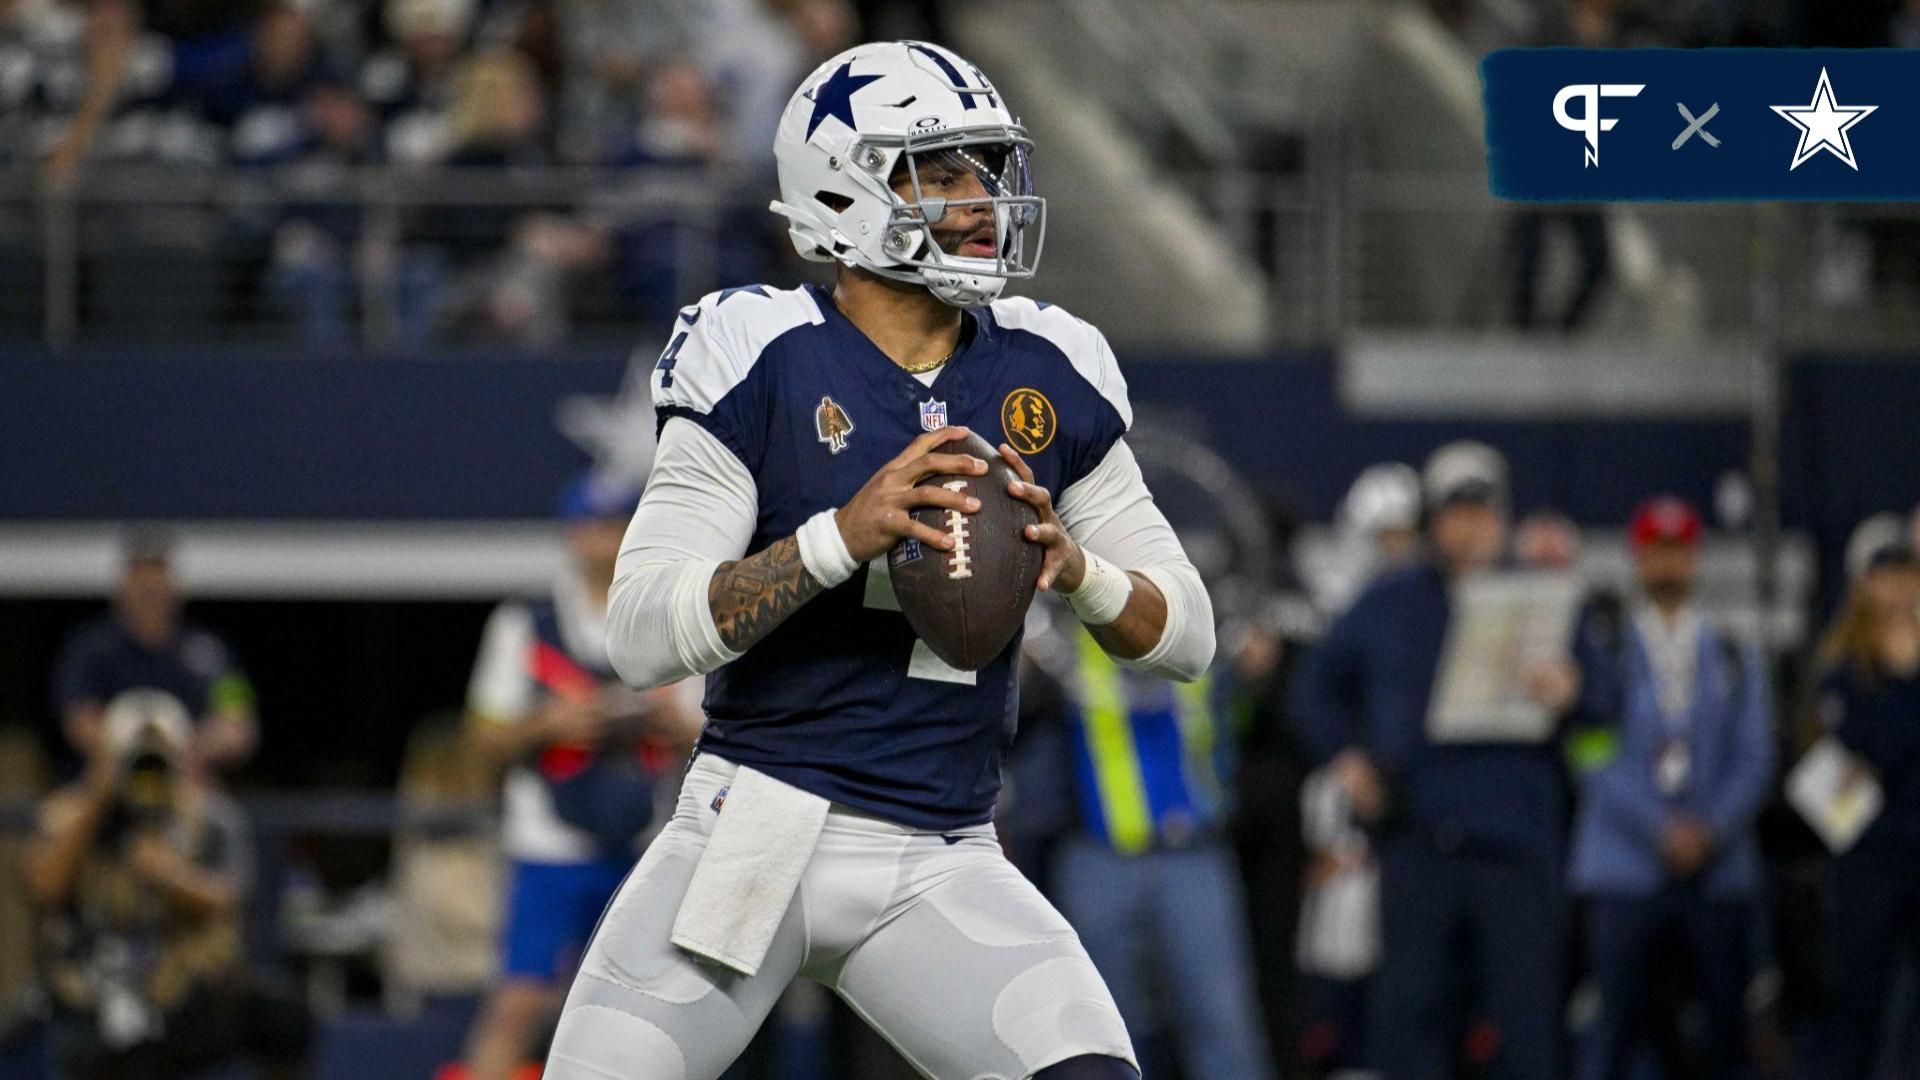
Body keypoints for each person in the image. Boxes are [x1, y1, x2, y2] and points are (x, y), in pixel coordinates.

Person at [541, 40, 1213, 1080]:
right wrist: (837, 538)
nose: (981, 198)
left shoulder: (1048, 361)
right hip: (753, 831)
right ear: (841, 191)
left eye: (988, 168)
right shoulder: (757, 346)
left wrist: (1078, 572)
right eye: (940, 171)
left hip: (939, 856)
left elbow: (1188, 637)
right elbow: (638, 636)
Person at [1294, 440, 1595, 1080]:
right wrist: (1348, 759)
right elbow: (1314, 688)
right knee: (1409, 1028)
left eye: (1482, 509)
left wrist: (1574, 690)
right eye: (1456, 510)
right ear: (1433, 519)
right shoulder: (1391, 601)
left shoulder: (1543, 596)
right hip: (1418, 847)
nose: (1470, 524)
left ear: (1503, 515)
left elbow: (1608, 698)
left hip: (1516, 850)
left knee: (1527, 1030)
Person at [461, 472, 703, 1080]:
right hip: (550, 844)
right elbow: (481, 739)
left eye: (618, 525)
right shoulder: (524, 625)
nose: (606, 540)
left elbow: (714, 733)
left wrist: (672, 725)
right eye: (594, 526)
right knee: (519, 1003)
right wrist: (550, 722)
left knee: (654, 1012)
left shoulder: (671, 616)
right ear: (572, 535)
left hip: (648, 845)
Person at [1022, 603, 1275, 1080]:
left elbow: (1253, 691)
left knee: (1222, 1026)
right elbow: (1019, 725)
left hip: (1193, 856)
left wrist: (1258, 665)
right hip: (1097, 856)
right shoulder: (1063, 640)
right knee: (1102, 1040)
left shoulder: (1201, 630)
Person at [1567, 497, 1773, 1080]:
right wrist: (1657, 827)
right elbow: (1589, 751)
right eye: (1656, 551)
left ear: (1695, 557)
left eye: (1677, 550)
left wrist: (1708, 831)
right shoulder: (1603, 648)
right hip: (1624, 868)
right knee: (1613, 1033)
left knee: (1726, 1035)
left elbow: (1756, 756)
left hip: (1716, 870)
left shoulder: (1732, 651)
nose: (1667, 563)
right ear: (1637, 559)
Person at [23, 690, 310, 1079]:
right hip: (93, 992)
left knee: (282, 1016)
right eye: (134, 755)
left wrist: (168, 876)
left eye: (158, 755)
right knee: (82, 1043)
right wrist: (97, 801)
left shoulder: (209, 816)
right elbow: (44, 888)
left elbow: (227, 900)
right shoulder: (71, 812)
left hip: (182, 986)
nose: (146, 768)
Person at [1810, 515, 1920, 1080]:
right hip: (1867, 864)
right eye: (1884, 574)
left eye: (1907, 573)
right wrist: (1902, 679)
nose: (1898, 587)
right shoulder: (1838, 675)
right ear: (1859, 584)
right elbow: (1848, 780)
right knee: (1861, 1012)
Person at [52, 529, 258, 777]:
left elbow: (237, 721)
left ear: (173, 584)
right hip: (108, 784)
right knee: (59, 814)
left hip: (187, 782)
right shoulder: (91, 647)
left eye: (157, 576)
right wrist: (127, 749)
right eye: (140, 578)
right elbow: (78, 718)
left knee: (223, 815)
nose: (149, 587)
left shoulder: (210, 651)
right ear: (124, 585)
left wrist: (192, 750)